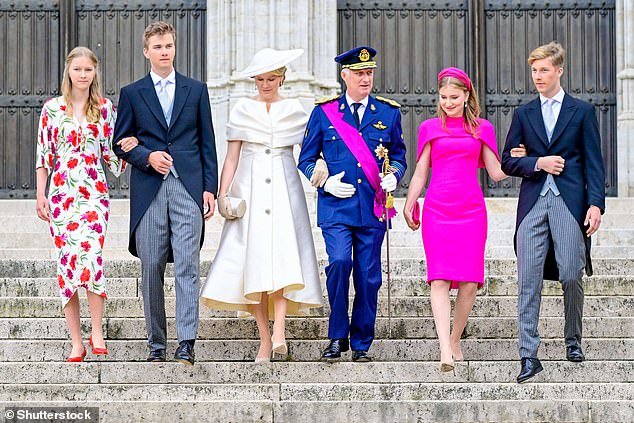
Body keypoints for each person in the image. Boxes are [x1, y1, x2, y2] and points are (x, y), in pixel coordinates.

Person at [200, 48, 323, 362]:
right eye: (260, 79)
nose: (265, 84)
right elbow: (231, 157)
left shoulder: (295, 109)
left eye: (271, 79)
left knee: (282, 258)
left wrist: (320, 167)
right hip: (250, 188)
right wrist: (222, 193)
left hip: (284, 188)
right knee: (249, 263)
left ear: (282, 78)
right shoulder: (242, 108)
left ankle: (280, 330)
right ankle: (265, 339)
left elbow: (309, 151)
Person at [403, 67, 526, 372]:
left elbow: (496, 172)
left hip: (471, 211)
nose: (448, 102)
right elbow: (421, 171)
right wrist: (409, 202)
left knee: (470, 281)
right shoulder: (429, 128)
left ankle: (456, 337)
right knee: (439, 278)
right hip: (437, 210)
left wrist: (525, 159)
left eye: (454, 97)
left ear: (467, 95)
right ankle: (445, 348)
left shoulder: (482, 128)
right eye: (443, 97)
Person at [113, 21, 218, 366]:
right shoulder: (131, 93)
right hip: (150, 191)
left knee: (188, 264)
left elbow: (207, 143)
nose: (164, 52)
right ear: (146, 52)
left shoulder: (196, 89)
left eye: (169, 46)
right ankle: (156, 343)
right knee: (152, 265)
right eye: (157, 47)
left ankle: (186, 342)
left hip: (187, 188)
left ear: (175, 48)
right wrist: (147, 156)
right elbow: (121, 143)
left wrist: (209, 188)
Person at [501, 42, 605, 383]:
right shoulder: (523, 113)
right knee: (528, 279)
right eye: (534, 70)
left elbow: (593, 162)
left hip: (568, 201)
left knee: (572, 272)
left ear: (559, 70)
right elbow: (508, 161)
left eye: (544, 70)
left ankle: (573, 340)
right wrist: (537, 162)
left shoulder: (582, 111)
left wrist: (595, 204)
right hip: (533, 203)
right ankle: (528, 356)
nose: (538, 77)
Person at [298, 46, 407, 362]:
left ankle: (361, 343)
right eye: (359, 73)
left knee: (368, 276)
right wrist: (324, 181)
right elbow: (305, 159)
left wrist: (394, 176)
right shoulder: (325, 112)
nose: (366, 78)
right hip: (336, 208)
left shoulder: (387, 113)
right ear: (344, 75)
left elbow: (398, 154)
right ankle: (336, 336)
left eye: (369, 72)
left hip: (371, 208)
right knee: (340, 263)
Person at [35, 46, 137, 362]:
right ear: (69, 71)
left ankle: (96, 331)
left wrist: (131, 149)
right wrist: (40, 194)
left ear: (95, 73)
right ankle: (76, 341)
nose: (83, 75)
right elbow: (43, 155)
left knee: (91, 258)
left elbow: (112, 156)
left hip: (94, 194)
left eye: (88, 70)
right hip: (62, 195)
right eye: (77, 69)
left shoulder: (105, 109)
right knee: (68, 265)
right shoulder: (52, 109)